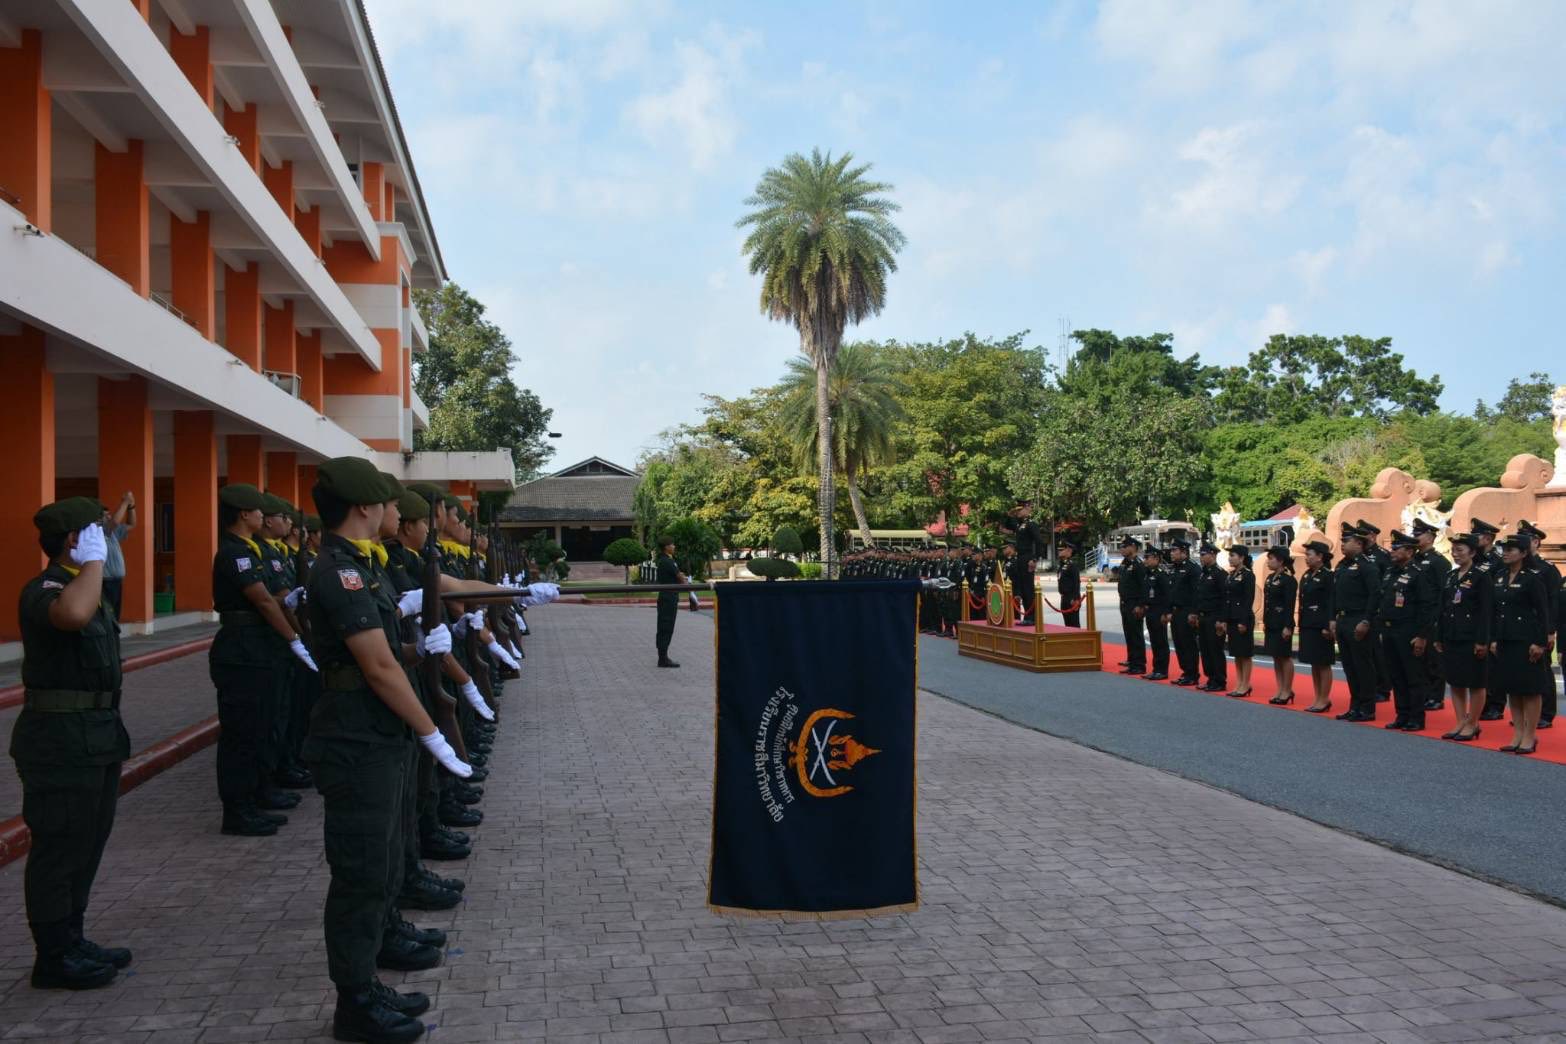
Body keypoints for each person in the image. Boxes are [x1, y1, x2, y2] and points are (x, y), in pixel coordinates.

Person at [303, 456, 473, 1042]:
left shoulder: (361, 566)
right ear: (364, 507)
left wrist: (421, 649)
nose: (396, 512)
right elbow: (375, 667)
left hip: (376, 732)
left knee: (385, 855)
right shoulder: (340, 573)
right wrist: (431, 731)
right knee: (361, 871)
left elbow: (382, 652)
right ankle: (354, 1002)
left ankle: (375, 961)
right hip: (356, 738)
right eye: (389, 503)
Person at [11, 498, 132, 991]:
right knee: (59, 846)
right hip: (59, 740)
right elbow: (74, 615)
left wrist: (98, 560)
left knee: (87, 842)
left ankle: (72, 938)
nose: (105, 539)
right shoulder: (45, 589)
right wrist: (95, 561)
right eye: (95, 532)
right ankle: (53, 955)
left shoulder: (89, 585)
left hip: (96, 734)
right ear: (73, 541)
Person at [209, 484, 316, 837]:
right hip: (243, 649)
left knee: (266, 723)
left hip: (260, 646)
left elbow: (276, 597)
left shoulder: (251, 550)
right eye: (258, 511)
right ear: (245, 514)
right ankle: (238, 809)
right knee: (243, 732)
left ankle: (259, 791)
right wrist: (295, 639)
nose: (263, 515)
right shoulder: (234, 553)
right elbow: (264, 600)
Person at [1491, 534, 1553, 754]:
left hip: (1526, 640)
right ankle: (1518, 733)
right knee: (1513, 688)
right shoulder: (1500, 576)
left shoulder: (1533, 577)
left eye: (1511, 549)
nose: (1506, 553)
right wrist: (1493, 638)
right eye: (1504, 549)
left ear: (1524, 553)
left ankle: (1530, 735)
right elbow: (1496, 611)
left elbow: (1542, 612)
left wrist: (1540, 642)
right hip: (1505, 639)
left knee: (1530, 689)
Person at [1373, 530, 1439, 732]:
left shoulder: (1418, 574)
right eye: (1392, 548)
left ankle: (1416, 717)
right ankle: (1402, 714)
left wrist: (1421, 636)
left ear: (1409, 552)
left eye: (1397, 548)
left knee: (1413, 676)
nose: (1392, 551)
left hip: (1409, 631)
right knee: (1396, 675)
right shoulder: (1390, 572)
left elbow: (1426, 607)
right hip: (1390, 630)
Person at [1437, 533, 1492, 742]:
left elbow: (1486, 612)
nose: (1455, 554)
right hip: (1452, 634)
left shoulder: (1481, 576)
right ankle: (1460, 720)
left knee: (1475, 682)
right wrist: (1439, 636)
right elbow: (1443, 608)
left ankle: (1473, 723)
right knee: (1456, 680)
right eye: (1453, 550)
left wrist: (1482, 640)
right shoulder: (1451, 576)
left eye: (1460, 550)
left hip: (1471, 636)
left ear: (1472, 552)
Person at [1332, 525, 1381, 722]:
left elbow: (1374, 595)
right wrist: (1333, 619)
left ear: (1359, 543)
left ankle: (1367, 708)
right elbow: (1336, 595)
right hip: (1343, 619)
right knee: (1349, 666)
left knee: (1363, 665)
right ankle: (1355, 706)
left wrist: (1366, 620)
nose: (1342, 545)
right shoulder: (1342, 565)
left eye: (1346, 541)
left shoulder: (1367, 565)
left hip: (1358, 619)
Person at [1516, 520, 1561, 728]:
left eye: (1525, 539)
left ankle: (1546, 713)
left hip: (1539, 627)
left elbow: (1552, 603)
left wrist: (1550, 631)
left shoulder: (1547, 569)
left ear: (1535, 542)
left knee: (1542, 670)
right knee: (1521, 671)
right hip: (1520, 628)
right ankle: (1527, 714)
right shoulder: (1516, 568)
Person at [1470, 518, 1508, 722]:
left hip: (1495, 615)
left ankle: (1496, 705)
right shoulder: (1475, 559)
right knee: (1480, 663)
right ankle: (1483, 704)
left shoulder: (1497, 560)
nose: (1473, 539)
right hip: (1477, 615)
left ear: (1486, 538)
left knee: (1495, 664)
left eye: (1476, 536)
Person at [1411, 517, 1451, 712]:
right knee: (1418, 659)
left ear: (1430, 537)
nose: (1415, 537)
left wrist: (1437, 617)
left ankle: (1436, 697)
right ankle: (1423, 693)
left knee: (1433, 659)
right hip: (1415, 615)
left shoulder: (1439, 562)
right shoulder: (1414, 560)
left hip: (1432, 615)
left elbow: (1443, 593)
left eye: (1418, 535)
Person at [1356, 519, 1395, 704]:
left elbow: (1386, 583)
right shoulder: (1359, 557)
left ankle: (1383, 687)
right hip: (1361, 608)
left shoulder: (1382, 556)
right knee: (1365, 652)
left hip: (1377, 609)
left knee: (1377, 652)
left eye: (1363, 535)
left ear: (1372, 536)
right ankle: (1369, 686)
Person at [1297, 540, 1336, 713]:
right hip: (1308, 623)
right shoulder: (1307, 575)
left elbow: (1330, 602)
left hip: (1321, 625)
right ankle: (1318, 696)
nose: (1306, 558)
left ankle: (1324, 698)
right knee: (1314, 662)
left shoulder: (1327, 576)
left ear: (1320, 556)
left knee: (1323, 662)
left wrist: (1328, 624)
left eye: (1309, 555)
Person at [1263, 546, 1298, 705]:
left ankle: (1287, 690)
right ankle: (1280, 688)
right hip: (1271, 621)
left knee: (1284, 657)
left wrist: (1288, 626)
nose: (1268, 561)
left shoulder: (1288, 580)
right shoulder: (1270, 578)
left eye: (1271, 558)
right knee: (1276, 657)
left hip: (1282, 622)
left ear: (1281, 561)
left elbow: (1289, 605)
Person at [1219, 546, 1256, 697]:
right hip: (1232, 618)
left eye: (1233, 555)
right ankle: (1239, 682)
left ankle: (1245, 684)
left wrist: (1243, 621)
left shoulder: (1248, 575)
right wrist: (1224, 619)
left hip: (1242, 618)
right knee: (1237, 653)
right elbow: (1227, 599)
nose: (1230, 558)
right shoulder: (1231, 574)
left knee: (1245, 654)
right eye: (1229, 555)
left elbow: (1248, 599)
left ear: (1241, 558)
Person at [1193, 543, 1228, 692]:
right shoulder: (1203, 573)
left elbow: (1224, 599)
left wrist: (1222, 620)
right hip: (1203, 616)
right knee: (1205, 649)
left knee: (1215, 650)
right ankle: (1210, 678)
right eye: (1200, 555)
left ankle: (1219, 680)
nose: (1201, 558)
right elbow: (1199, 596)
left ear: (1213, 555)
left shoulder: (1220, 574)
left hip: (1214, 617)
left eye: (1203, 555)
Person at [1166, 540, 1201, 686]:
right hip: (1176, 611)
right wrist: (1169, 610)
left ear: (1184, 552)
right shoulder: (1174, 568)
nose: (1172, 553)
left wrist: (1194, 612)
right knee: (1179, 643)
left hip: (1187, 611)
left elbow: (1196, 592)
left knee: (1188, 644)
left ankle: (1192, 674)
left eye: (1175, 551)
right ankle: (1186, 671)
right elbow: (1171, 592)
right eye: (1172, 550)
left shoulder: (1193, 568)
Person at [97, 492, 135, 620]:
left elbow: (131, 524)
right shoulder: (100, 531)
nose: (109, 517)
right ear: (98, 519)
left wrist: (131, 506)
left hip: (116, 581)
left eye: (109, 514)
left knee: (114, 617)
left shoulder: (112, 532)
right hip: (105, 582)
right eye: (105, 515)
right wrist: (125, 502)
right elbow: (115, 521)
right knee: (108, 616)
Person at [1006, 502, 1042, 624]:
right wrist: (1009, 515)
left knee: (1028, 588)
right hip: (1020, 558)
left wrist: (1035, 559)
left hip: (1027, 557)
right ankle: (1027, 616)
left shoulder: (1031, 524)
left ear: (1027, 509)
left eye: (1019, 510)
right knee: (1022, 587)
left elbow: (1039, 541)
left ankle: (1032, 617)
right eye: (1016, 511)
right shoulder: (1019, 525)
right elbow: (1008, 525)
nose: (1017, 513)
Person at [1116, 537, 1148, 675]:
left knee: (1136, 634)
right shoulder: (1125, 563)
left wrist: (1140, 605)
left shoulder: (1138, 564)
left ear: (1133, 547)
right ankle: (1132, 660)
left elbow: (1143, 586)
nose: (1122, 549)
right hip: (1125, 602)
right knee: (1129, 633)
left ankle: (1139, 664)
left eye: (1125, 547)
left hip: (1134, 604)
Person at [655, 536, 688, 668]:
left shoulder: (666, 560)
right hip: (668, 598)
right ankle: (663, 658)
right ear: (666, 547)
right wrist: (682, 578)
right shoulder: (668, 561)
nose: (674, 546)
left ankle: (663, 657)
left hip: (667, 596)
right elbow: (680, 578)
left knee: (665, 626)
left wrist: (681, 577)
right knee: (666, 626)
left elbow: (678, 576)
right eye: (672, 544)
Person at [1141, 545, 1171, 680]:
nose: (1145, 560)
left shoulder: (1161, 575)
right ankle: (1156, 669)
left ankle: (1162, 670)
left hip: (1159, 611)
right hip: (1150, 610)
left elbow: (1167, 595)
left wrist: (1166, 613)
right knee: (1154, 641)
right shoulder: (1148, 573)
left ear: (1156, 559)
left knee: (1161, 642)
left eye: (1147, 557)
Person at [1056, 542, 1082, 628]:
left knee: (1074, 625)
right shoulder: (1062, 565)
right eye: (1059, 550)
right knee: (1067, 626)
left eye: (1061, 550)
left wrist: (1076, 599)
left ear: (1069, 551)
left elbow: (1076, 583)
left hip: (1071, 599)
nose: (1059, 551)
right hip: (1064, 598)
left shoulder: (1072, 565)